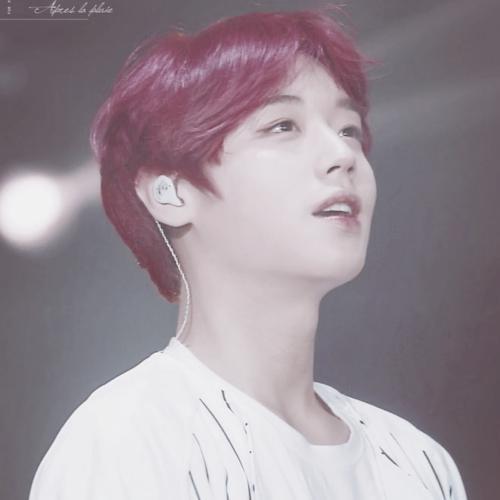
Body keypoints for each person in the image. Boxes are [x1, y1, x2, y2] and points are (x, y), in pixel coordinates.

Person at [29, 8, 468, 500]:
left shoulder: (416, 461)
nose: (344, 155)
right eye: (282, 125)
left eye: (348, 129)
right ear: (170, 193)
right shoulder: (127, 441)